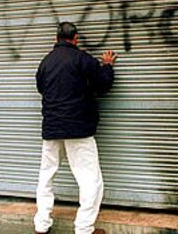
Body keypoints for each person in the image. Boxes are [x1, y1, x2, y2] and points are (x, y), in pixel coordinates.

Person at [34, 22, 118, 234]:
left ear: (56, 39)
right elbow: (102, 85)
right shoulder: (83, 59)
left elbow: (41, 88)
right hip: (78, 130)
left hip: (52, 129)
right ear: (76, 38)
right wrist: (107, 66)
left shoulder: (45, 62)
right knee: (90, 179)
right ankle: (84, 229)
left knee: (46, 177)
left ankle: (41, 226)